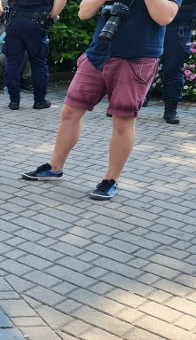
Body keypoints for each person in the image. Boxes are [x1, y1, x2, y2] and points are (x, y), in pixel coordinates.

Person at [21, 0, 181, 200]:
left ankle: (110, 180)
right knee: (70, 111)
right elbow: (84, 13)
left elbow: (164, 17)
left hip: (137, 59)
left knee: (123, 120)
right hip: (98, 54)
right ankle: (54, 168)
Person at [0, 0, 66, 110]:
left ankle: (14, 101)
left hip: (14, 20)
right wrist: (52, 16)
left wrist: (0, 14)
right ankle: (40, 101)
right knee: (39, 63)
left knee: (12, 62)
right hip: (38, 22)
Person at [160, 0, 195, 124]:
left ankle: (171, 109)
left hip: (179, 26)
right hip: (149, 23)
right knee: (137, 63)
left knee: (173, 69)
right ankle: (129, 103)